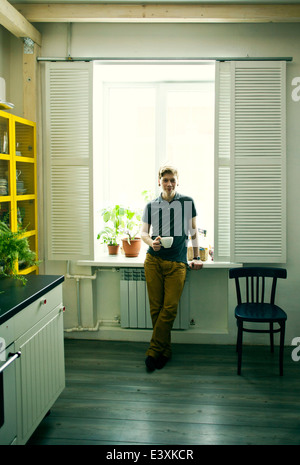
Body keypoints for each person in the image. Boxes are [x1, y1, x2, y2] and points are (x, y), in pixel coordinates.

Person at [141, 164, 203, 372]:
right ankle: (164, 352)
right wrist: (152, 243)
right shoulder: (151, 205)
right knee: (156, 308)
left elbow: (193, 232)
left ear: (177, 181)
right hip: (153, 262)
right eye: (165, 180)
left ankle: (153, 351)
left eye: (172, 180)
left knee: (169, 309)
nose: (169, 184)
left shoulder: (187, 202)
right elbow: (143, 234)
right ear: (159, 181)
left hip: (177, 263)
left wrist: (195, 256)